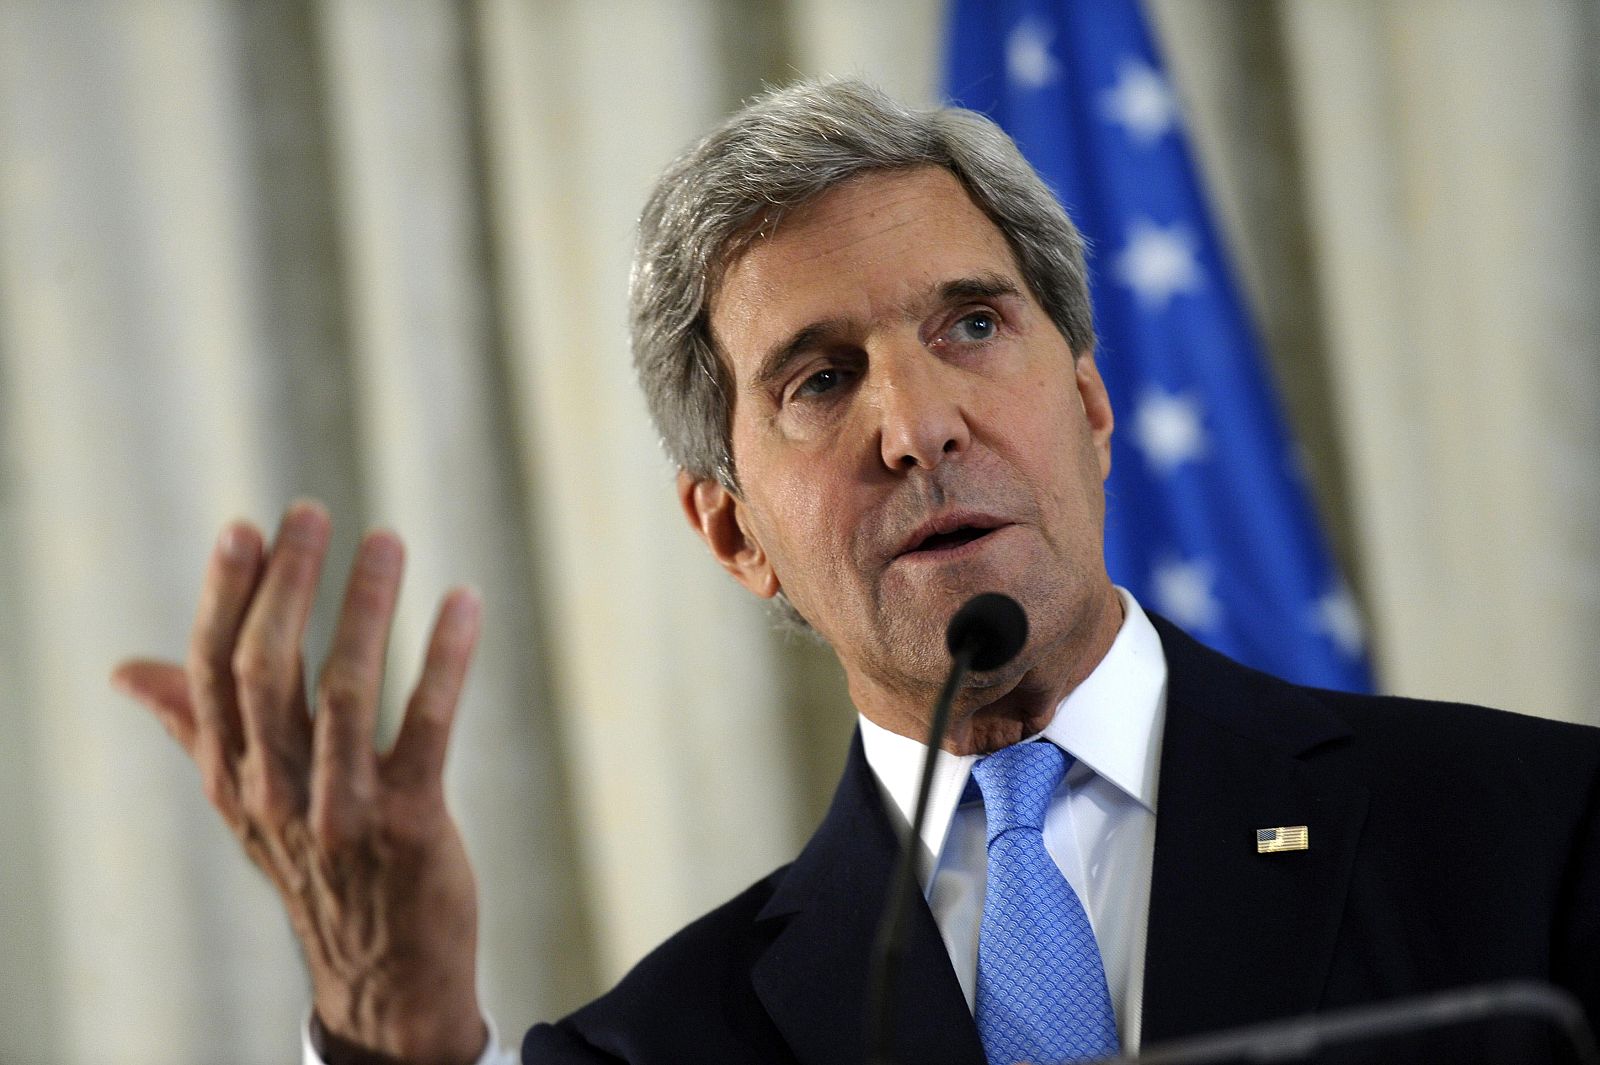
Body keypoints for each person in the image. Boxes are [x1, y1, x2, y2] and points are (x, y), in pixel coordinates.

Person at [113, 79, 1600, 1065]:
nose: (916, 425)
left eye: (969, 326)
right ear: (733, 531)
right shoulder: (655, 1049)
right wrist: (392, 1037)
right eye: (821, 379)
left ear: (1090, 404)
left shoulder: (1535, 837)